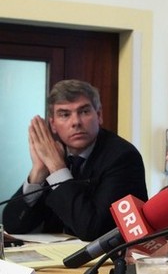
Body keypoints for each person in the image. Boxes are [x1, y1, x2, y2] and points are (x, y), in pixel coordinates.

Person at [3, 79, 148, 241]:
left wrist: (57, 169)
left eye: (84, 112)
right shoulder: (57, 154)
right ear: (52, 124)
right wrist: (38, 173)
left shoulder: (122, 156)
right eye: (65, 114)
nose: (76, 122)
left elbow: (94, 230)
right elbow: (12, 226)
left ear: (99, 115)